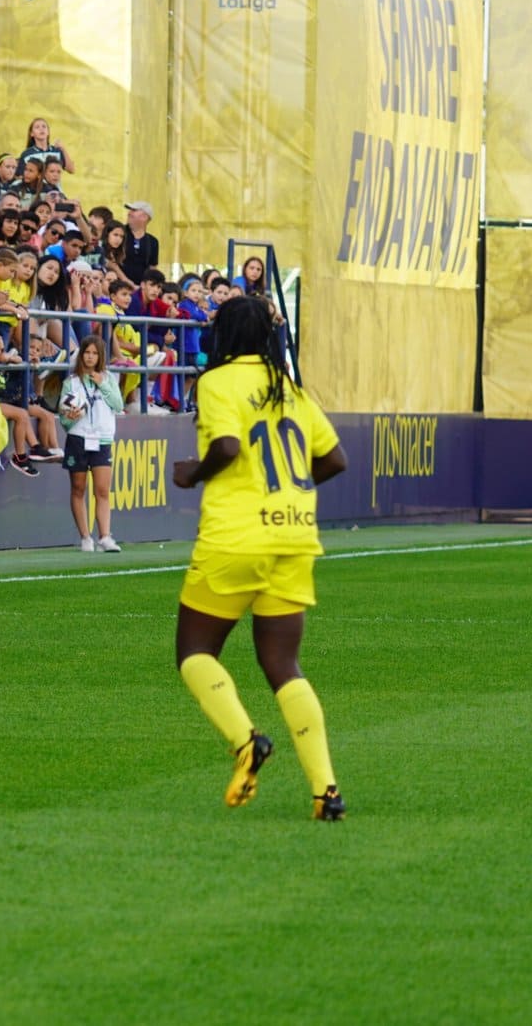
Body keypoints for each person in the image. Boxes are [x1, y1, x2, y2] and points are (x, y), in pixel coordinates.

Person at [170, 295, 348, 821]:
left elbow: (226, 447)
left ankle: (246, 741)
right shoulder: (288, 387)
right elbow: (335, 459)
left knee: (195, 651)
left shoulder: (217, 381)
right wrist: (289, 491)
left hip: (236, 534)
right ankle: (326, 792)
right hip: (293, 533)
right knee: (283, 665)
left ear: (224, 335)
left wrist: (192, 474)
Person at [60, 335, 123, 553]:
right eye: (87, 352)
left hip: (102, 439)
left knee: (102, 490)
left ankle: (105, 536)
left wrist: (102, 384)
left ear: (100, 356)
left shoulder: (109, 378)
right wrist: (71, 417)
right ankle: (85, 537)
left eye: (95, 353)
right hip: (78, 438)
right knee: (78, 488)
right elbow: (64, 420)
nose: (90, 357)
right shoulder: (71, 382)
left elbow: (118, 404)